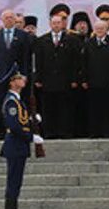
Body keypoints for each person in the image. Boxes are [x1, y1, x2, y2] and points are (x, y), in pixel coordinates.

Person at [33, 7, 79, 139]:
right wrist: (38, 79)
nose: (56, 25)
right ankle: (49, 132)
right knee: (49, 108)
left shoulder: (72, 40)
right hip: (47, 81)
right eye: (54, 23)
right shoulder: (42, 41)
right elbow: (38, 62)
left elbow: (75, 62)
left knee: (65, 108)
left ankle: (65, 132)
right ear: (50, 24)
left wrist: (74, 79)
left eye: (59, 23)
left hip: (66, 81)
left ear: (63, 24)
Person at [0, 63, 33, 209]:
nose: (23, 80)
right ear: (12, 82)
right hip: (15, 144)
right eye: (19, 78)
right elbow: (15, 125)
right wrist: (31, 136)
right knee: (13, 182)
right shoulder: (11, 102)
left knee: (16, 182)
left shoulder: (18, 100)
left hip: (20, 145)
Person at [80, 13, 109, 138]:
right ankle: (94, 131)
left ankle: (108, 131)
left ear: (106, 30)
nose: (99, 31)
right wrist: (84, 79)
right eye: (97, 29)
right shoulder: (88, 43)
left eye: (102, 29)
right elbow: (84, 63)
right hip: (93, 82)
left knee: (108, 108)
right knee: (94, 108)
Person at [0, 8, 25, 121]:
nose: (9, 20)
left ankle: (16, 127)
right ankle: (0, 130)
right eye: (6, 18)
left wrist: (24, 74)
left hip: (16, 76)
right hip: (0, 75)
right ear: (2, 20)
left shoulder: (22, 35)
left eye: (11, 17)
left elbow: (25, 57)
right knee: (0, 102)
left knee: (16, 102)